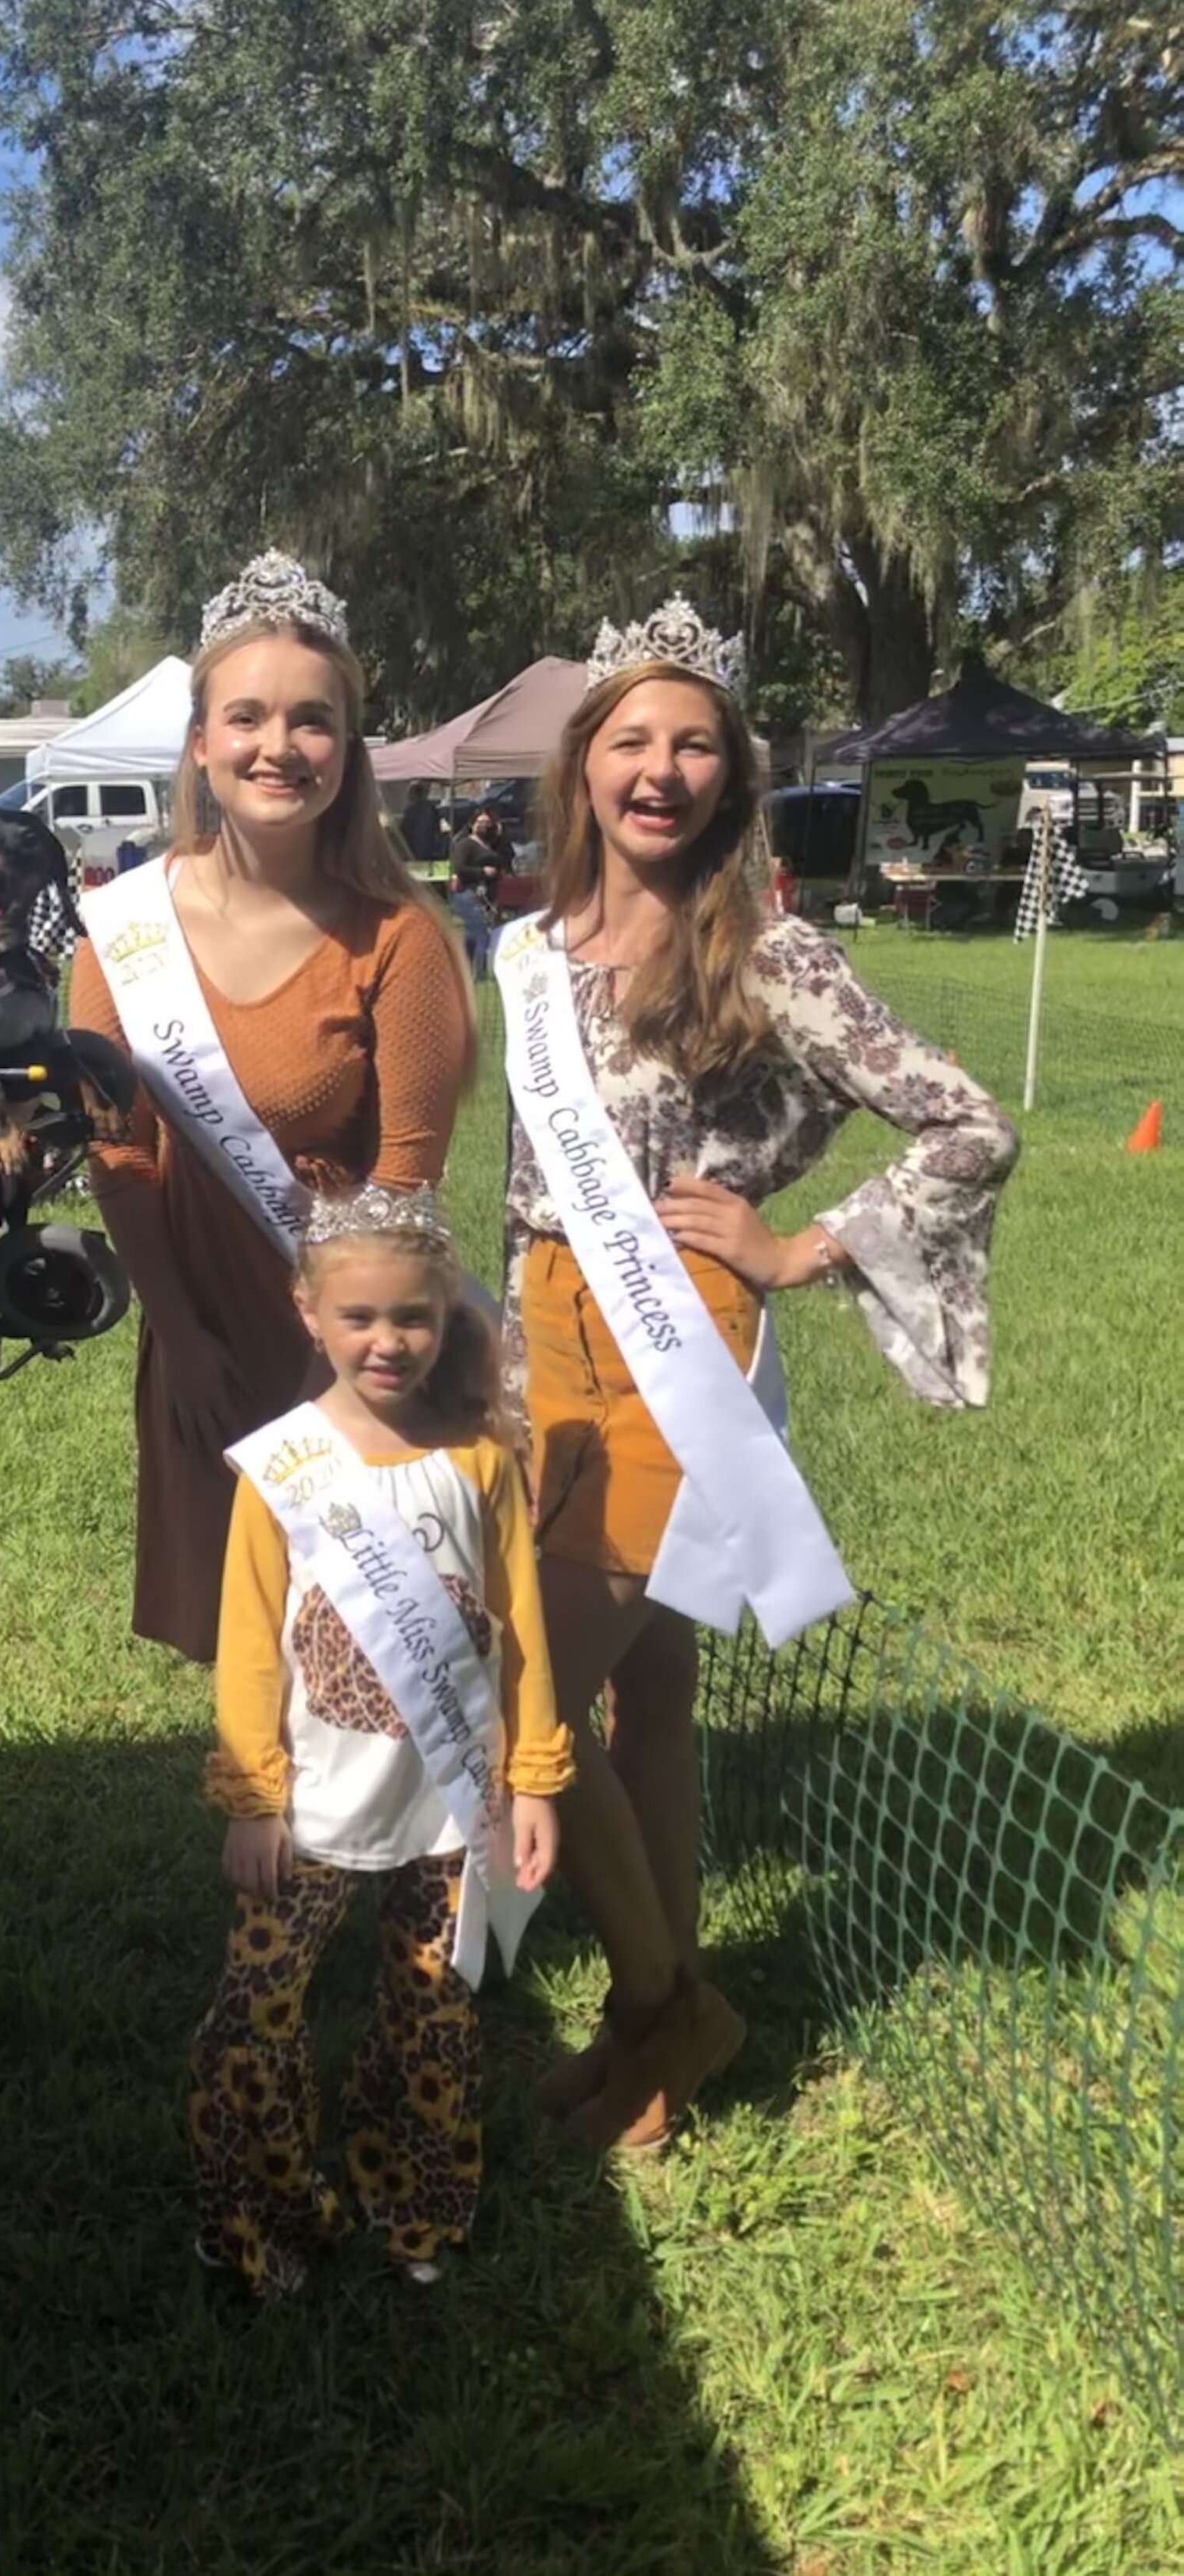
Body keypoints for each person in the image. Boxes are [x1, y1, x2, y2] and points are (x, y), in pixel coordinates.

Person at [492, 598, 1018, 2154]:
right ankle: (650, 2025)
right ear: (583, 759)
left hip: (676, 1339)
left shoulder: (767, 949)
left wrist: (801, 1248)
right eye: (632, 740)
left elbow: (964, 1120)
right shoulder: (530, 947)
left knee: (527, 1692)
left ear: (732, 774)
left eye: (694, 745)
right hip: (544, 1320)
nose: (659, 772)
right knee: (646, 1698)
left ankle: (670, 2003)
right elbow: (520, 1171)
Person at [73, 549, 472, 1662]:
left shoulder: (400, 939)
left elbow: (407, 1175)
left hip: (358, 1337)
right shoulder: (122, 932)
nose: (277, 747)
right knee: (246, 1653)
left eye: (312, 721)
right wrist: (184, 1338)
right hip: (201, 1328)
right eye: (246, 717)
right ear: (201, 742)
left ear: (347, 750)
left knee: (365, 1651)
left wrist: (333, 1374)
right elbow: (123, 1160)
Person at [191, 1184, 571, 2299]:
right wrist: (254, 1795)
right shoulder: (284, 1467)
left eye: (412, 1317)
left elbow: (522, 1633)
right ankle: (258, 2216)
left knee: (432, 2013)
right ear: (308, 1310)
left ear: (446, 1314)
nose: (387, 1342)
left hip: (448, 1807)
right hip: (309, 1807)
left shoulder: (482, 1462)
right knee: (253, 2017)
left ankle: (411, 2198)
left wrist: (535, 1779)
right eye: (359, 1319)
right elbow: (251, 1641)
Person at [449, 807, 507, 977]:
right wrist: (482, 872)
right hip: (467, 894)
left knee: (471, 935)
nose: (484, 826)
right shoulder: (465, 845)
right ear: (472, 824)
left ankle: (463, 970)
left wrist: (500, 835)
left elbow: (506, 857)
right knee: (481, 933)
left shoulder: (492, 845)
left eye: (488, 824)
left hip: (486, 895)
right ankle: (479, 974)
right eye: (480, 823)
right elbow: (459, 868)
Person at [397, 780, 443, 864]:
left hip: (415, 847)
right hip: (429, 849)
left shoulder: (411, 810)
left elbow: (405, 829)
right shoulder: (431, 808)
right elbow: (438, 828)